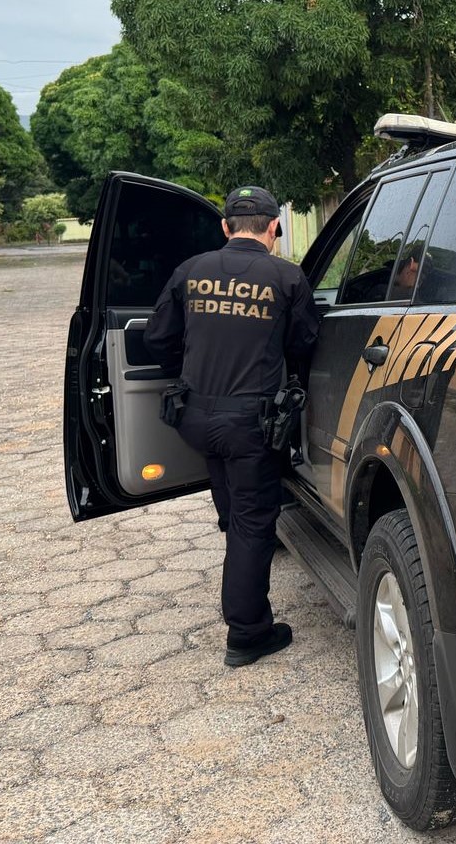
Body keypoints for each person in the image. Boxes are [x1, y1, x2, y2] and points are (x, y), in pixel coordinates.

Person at [144, 186, 320, 667]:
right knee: (252, 522)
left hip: (195, 416)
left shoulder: (190, 271)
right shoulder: (286, 276)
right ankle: (247, 633)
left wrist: (189, 370)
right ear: (274, 227)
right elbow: (304, 343)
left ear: (225, 227)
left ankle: (236, 554)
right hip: (250, 424)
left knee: (232, 508)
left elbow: (157, 338)